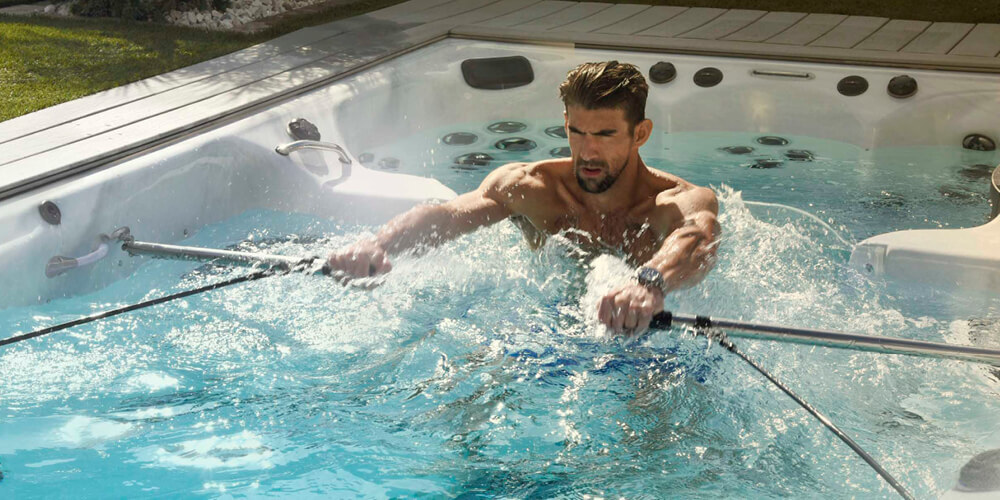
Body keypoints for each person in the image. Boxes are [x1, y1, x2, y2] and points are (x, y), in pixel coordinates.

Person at [326, 61, 720, 335]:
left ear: (641, 133)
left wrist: (648, 284)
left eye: (604, 135)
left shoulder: (675, 200)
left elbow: (696, 239)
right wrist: (377, 245)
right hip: (546, 329)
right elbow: (447, 216)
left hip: (647, 338)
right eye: (577, 131)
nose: (587, 152)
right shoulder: (533, 187)